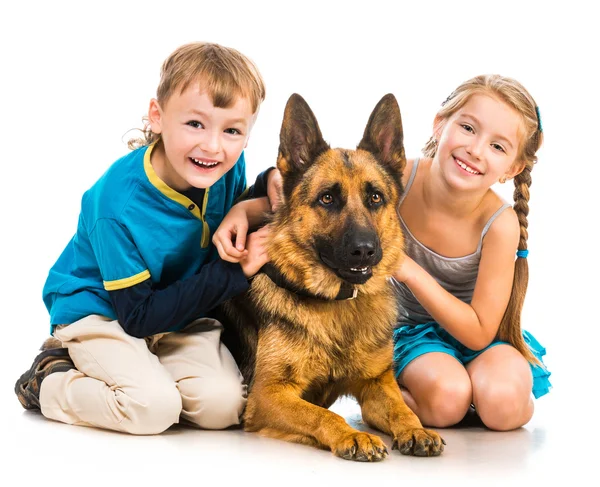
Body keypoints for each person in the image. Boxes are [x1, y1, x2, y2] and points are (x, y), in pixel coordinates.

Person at [15, 41, 279, 435]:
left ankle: (145, 369)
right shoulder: (115, 205)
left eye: (232, 131)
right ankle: (50, 381)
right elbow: (137, 317)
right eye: (195, 124)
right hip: (105, 311)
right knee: (151, 409)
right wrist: (235, 272)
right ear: (157, 116)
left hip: (176, 308)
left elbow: (240, 202)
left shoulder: (224, 166)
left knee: (224, 406)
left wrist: (260, 193)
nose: (212, 145)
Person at [392, 74, 551, 431]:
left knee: (505, 405)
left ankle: (476, 392)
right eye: (468, 128)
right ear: (439, 125)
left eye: (498, 146)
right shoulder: (397, 178)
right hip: (410, 333)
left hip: (479, 335)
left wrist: (411, 271)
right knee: (447, 402)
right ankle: (382, 393)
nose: (476, 150)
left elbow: (479, 333)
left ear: (512, 169)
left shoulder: (499, 224)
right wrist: (251, 209)